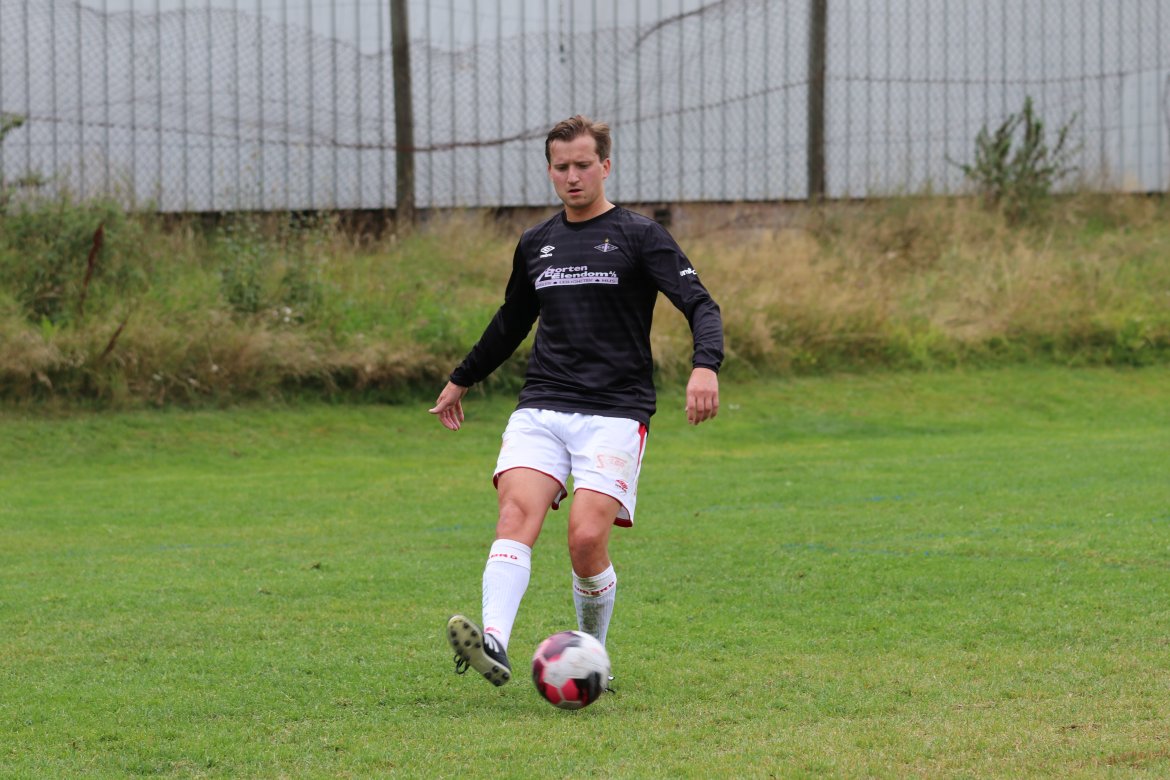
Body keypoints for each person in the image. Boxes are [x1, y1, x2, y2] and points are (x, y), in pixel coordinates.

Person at [430, 115, 723, 688]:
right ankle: (494, 642)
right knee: (515, 515)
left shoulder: (640, 235)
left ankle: (593, 656)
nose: (572, 176)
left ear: (604, 166)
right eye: (561, 167)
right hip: (542, 405)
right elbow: (512, 320)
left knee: (587, 540)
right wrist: (462, 378)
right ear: (550, 171)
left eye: (583, 165)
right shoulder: (536, 243)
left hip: (616, 412)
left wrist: (704, 365)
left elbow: (700, 304)